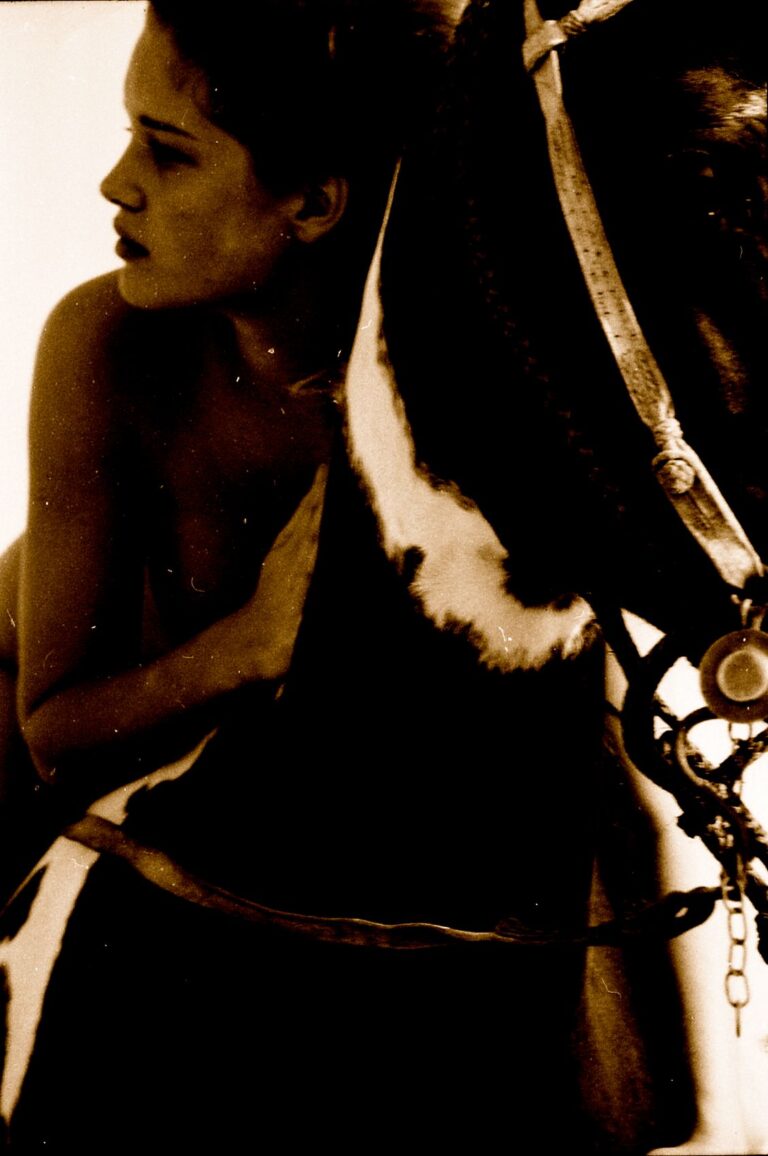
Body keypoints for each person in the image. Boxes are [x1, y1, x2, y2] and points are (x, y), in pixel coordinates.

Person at [0, 2, 607, 1152]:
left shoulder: (477, 381)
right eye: (132, 137)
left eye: (167, 152)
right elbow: (53, 732)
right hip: (68, 740)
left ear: (317, 204)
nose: (115, 187)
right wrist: (256, 638)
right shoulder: (106, 345)